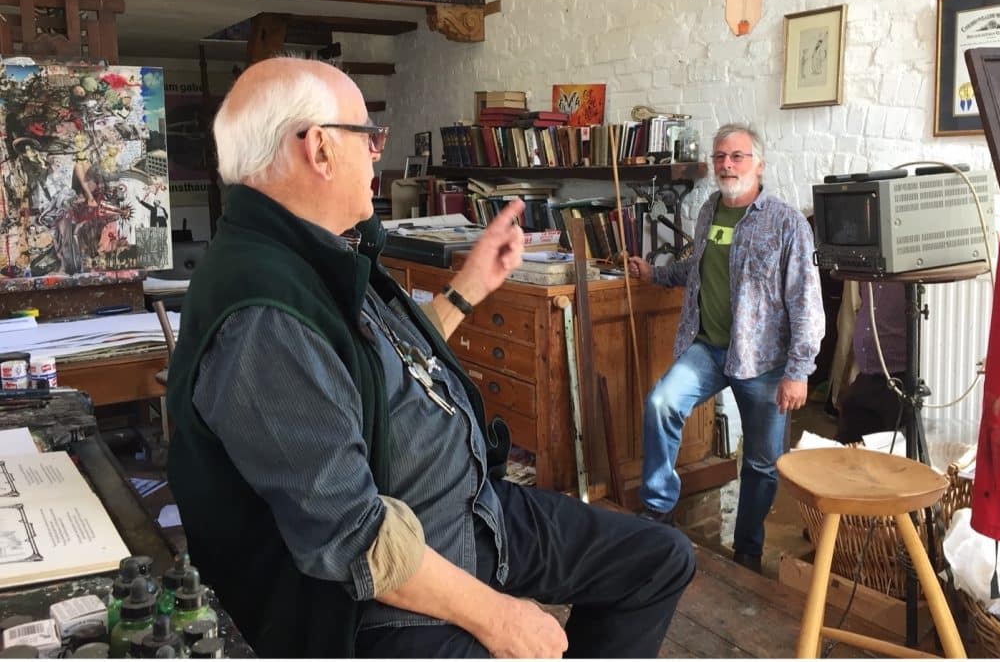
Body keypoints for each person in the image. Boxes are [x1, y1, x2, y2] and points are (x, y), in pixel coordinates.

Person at [166, 58, 695, 659]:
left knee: (659, 560)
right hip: (377, 602)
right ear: (319, 148)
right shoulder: (264, 313)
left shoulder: (308, 256)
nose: (376, 156)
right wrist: (499, 618)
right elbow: (354, 536)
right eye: (369, 137)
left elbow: (384, 368)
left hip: (469, 514)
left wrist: (470, 287)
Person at [627, 123, 825, 574]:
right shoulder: (708, 211)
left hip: (763, 362)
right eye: (719, 157)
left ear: (759, 164)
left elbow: (806, 303)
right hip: (708, 348)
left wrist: (799, 371)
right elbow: (697, 269)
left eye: (736, 156)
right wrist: (655, 275)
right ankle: (658, 508)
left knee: (761, 463)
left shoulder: (786, 223)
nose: (726, 165)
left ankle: (748, 550)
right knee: (661, 403)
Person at [835, 281, 908, 444]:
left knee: (890, 449)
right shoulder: (868, 276)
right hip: (867, 374)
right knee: (847, 445)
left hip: (898, 377)